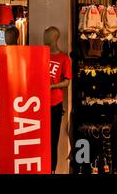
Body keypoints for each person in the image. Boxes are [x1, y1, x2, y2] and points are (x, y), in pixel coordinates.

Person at [43, 26, 71, 174]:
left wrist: (52, 86)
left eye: (46, 35)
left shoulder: (64, 58)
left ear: (54, 38)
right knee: (41, 138)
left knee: (53, 140)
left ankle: (51, 170)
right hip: (38, 103)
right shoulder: (40, 55)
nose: (43, 38)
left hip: (55, 104)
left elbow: (67, 81)